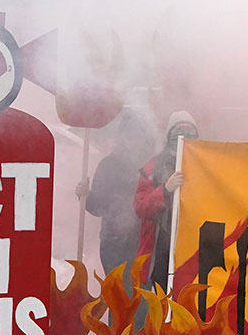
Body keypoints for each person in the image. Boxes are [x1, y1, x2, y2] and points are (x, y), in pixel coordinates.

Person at [76, 112, 154, 277]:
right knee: (118, 295)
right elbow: (97, 207)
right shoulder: (108, 165)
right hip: (113, 243)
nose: (135, 138)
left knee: (141, 298)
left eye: (140, 133)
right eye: (130, 133)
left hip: (144, 243)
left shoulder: (152, 166)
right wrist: (85, 196)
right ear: (122, 136)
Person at [135, 111, 199, 292]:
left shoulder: (205, 166)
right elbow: (140, 207)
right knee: (161, 309)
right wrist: (165, 190)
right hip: (161, 251)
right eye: (178, 131)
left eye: (189, 132)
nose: (184, 136)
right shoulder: (153, 168)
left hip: (194, 249)